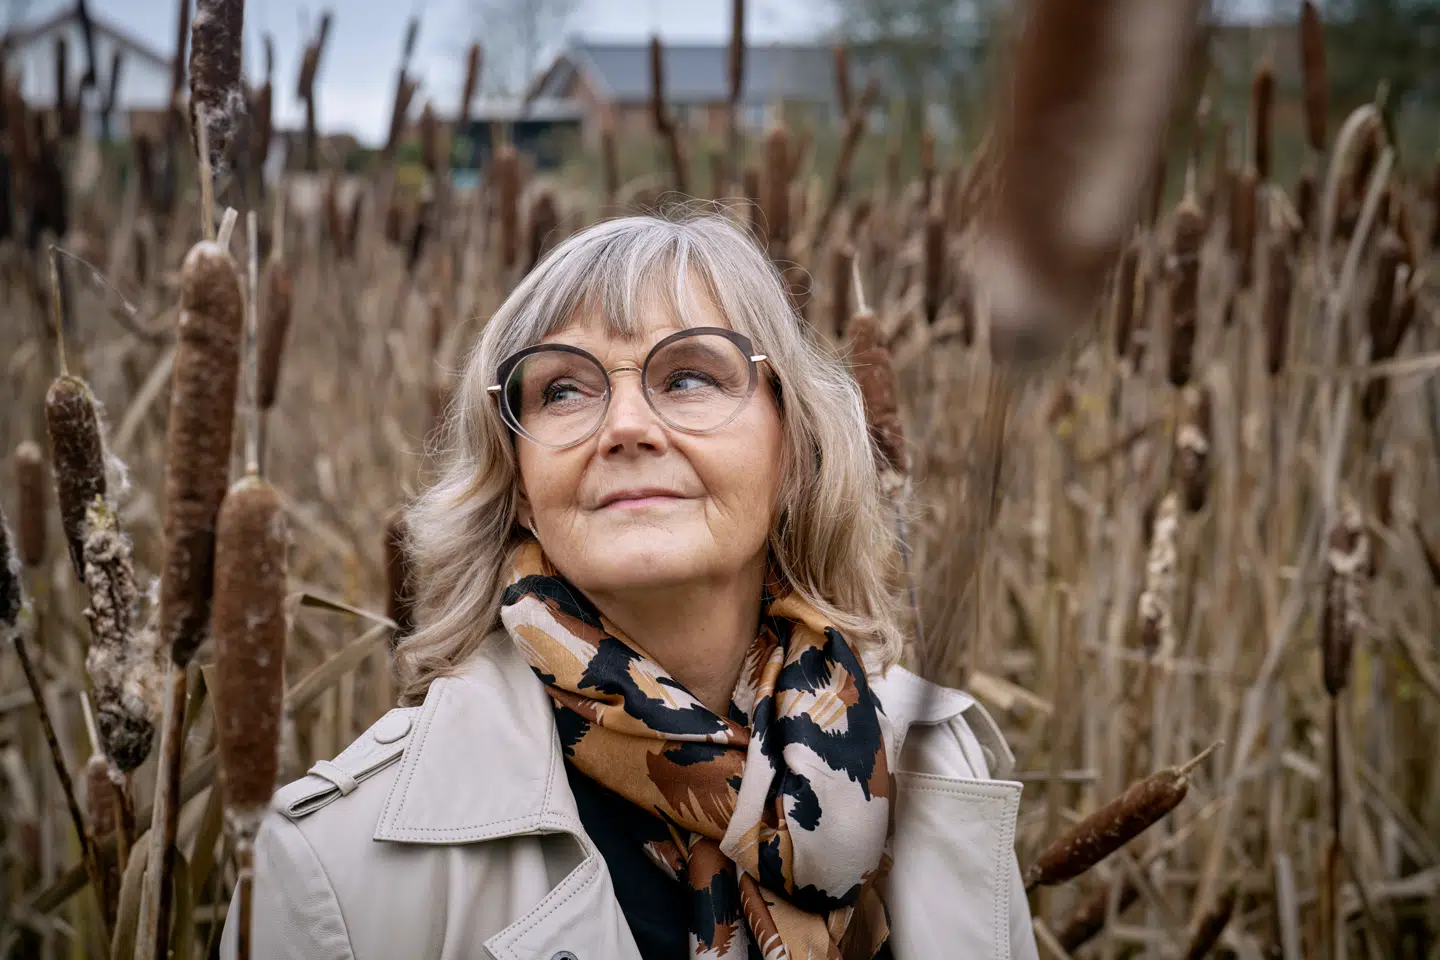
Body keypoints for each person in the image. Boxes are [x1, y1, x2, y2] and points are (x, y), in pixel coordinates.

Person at [221, 212, 1038, 960]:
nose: (625, 428)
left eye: (688, 377)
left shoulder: (940, 766)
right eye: (564, 390)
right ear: (518, 486)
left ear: (794, 452)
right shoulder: (335, 869)